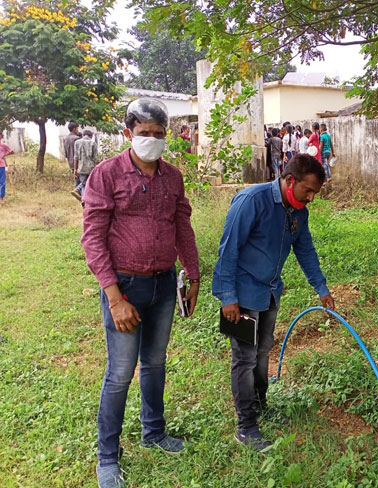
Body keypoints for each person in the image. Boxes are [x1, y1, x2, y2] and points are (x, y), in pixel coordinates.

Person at [81, 98, 201, 488]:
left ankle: (154, 432)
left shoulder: (173, 177)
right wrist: (114, 297)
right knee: (119, 373)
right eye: (143, 133)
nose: (151, 139)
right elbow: (93, 238)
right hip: (125, 286)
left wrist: (193, 274)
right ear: (128, 133)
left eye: (158, 134)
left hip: (164, 284)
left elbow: (182, 225)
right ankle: (107, 457)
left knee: (155, 363)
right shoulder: (106, 174)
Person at [212, 153, 335, 452]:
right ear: (290, 180)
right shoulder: (251, 201)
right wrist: (228, 298)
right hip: (241, 298)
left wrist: (321, 287)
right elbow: (228, 251)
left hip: (269, 293)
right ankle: (245, 426)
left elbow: (305, 250)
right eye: (308, 190)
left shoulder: (298, 212)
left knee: (262, 352)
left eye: (315, 193)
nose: (311, 198)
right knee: (244, 358)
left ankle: (260, 405)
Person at [71, 130, 99, 201]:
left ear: (83, 135)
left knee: (84, 184)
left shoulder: (77, 143)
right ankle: (86, 199)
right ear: (91, 136)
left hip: (81, 168)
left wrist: (75, 169)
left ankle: (82, 197)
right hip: (91, 168)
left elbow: (76, 157)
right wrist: (98, 168)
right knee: (90, 184)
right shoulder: (93, 143)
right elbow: (96, 158)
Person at [64, 122, 82, 189]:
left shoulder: (66, 139)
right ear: (74, 129)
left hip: (70, 161)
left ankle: (77, 192)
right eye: (77, 128)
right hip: (78, 162)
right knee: (82, 180)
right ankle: (77, 191)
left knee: (76, 178)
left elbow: (65, 153)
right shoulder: (77, 139)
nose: (78, 130)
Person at [0, 134, 14, 205]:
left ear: (1, 136)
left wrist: (4, 155)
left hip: (1, 166)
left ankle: (1, 199)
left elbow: (12, 151)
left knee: (2, 182)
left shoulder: (3, 145)